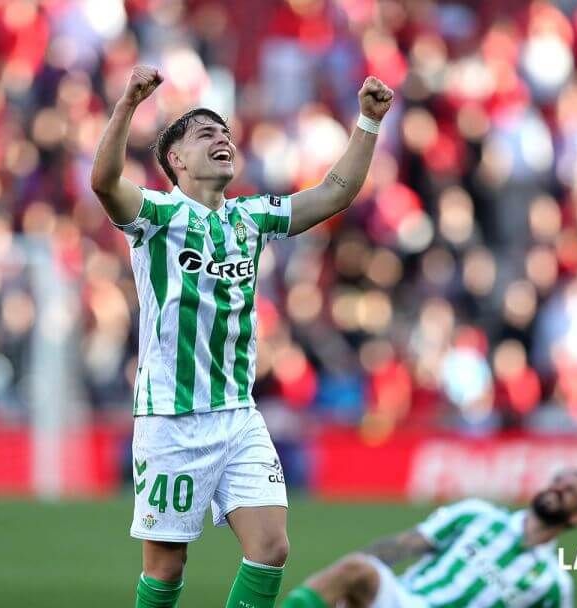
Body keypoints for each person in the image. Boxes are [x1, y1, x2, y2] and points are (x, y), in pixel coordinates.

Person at [90, 65, 393, 608]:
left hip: (237, 413)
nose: (222, 138)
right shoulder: (157, 215)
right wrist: (126, 107)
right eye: (205, 134)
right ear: (176, 161)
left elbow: (333, 194)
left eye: (225, 131)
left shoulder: (250, 218)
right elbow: (104, 183)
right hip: (171, 419)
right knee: (165, 569)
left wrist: (368, 122)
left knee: (271, 547)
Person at [283, 470, 577, 608]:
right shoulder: (478, 515)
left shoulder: (553, 584)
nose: (557, 488)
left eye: (569, 491)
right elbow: (402, 546)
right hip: (406, 601)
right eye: (557, 481)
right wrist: (351, 588)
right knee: (357, 569)